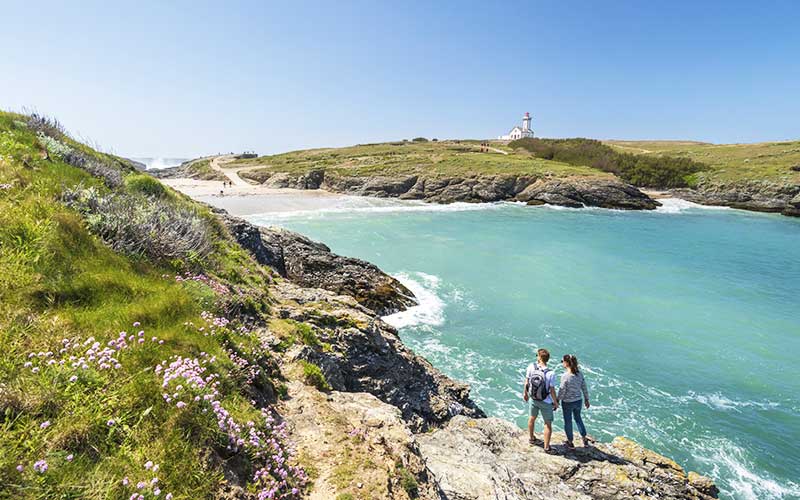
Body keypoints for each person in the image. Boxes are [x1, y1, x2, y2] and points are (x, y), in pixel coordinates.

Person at [523, 348, 558, 453]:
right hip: (546, 401)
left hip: (533, 398)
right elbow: (552, 390)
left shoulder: (531, 367)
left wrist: (525, 394)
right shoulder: (551, 373)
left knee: (532, 418)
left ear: (539, 357)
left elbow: (527, 382)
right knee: (547, 424)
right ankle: (547, 448)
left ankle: (531, 438)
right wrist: (555, 402)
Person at [557, 354, 591, 449]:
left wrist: (557, 400)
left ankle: (570, 442)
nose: (562, 363)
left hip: (567, 402)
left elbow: (562, 390)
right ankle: (584, 438)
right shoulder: (579, 374)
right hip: (578, 401)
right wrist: (587, 399)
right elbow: (584, 387)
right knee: (578, 418)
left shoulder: (565, 376)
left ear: (567, 363)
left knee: (568, 421)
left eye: (563, 361)